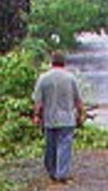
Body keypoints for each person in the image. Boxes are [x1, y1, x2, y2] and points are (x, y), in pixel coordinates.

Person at [32, 51, 86, 182]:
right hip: (67, 119)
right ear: (64, 63)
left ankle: (52, 171)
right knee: (65, 146)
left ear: (51, 62)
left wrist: (36, 116)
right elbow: (78, 100)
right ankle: (62, 173)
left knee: (50, 147)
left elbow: (38, 101)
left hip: (49, 118)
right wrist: (81, 114)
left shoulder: (43, 78)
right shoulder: (70, 78)